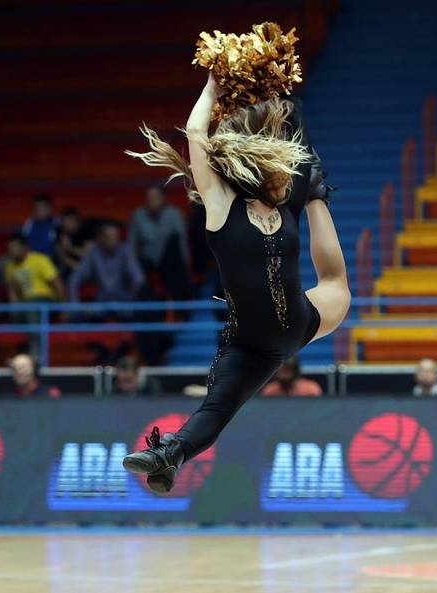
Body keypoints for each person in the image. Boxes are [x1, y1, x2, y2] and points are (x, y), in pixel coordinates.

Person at [122, 74, 349, 492]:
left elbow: (300, 145)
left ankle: (321, 195)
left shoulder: (285, 201)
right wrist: (212, 88)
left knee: (337, 284)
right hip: (249, 343)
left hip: (300, 320)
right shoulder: (222, 204)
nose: (286, 174)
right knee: (218, 407)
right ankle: (167, 456)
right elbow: (195, 132)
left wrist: (282, 92)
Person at [4, 234, 64, 359]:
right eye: (9, 248)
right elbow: (13, 292)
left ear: (25, 248)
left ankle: (36, 353)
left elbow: (57, 285)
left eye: (15, 247)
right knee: (21, 310)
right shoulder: (9, 267)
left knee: (31, 305)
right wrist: (14, 309)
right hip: (26, 306)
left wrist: (62, 308)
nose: (12, 251)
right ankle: (22, 352)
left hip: (46, 301)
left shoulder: (40, 260)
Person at [128, 184, 192, 300]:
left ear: (163, 198)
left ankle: (181, 309)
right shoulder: (138, 215)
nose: (152, 200)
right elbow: (132, 245)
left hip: (170, 262)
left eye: (156, 196)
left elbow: (182, 243)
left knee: (174, 246)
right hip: (146, 261)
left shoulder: (174, 214)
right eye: (149, 197)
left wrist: (186, 263)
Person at [68, 221, 145, 305]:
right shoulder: (94, 253)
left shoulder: (126, 251)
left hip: (124, 301)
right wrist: (75, 303)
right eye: (110, 236)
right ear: (101, 238)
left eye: (116, 236)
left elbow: (139, 280)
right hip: (101, 302)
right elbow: (75, 279)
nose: (114, 239)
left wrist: (132, 298)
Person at [20, 193, 60, 257]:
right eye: (38, 207)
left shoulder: (57, 223)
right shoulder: (29, 224)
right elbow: (22, 243)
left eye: (44, 207)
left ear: (50, 208)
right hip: (32, 259)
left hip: (51, 259)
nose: (41, 210)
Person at [55, 208, 88, 279]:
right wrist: (78, 267)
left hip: (88, 264)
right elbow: (62, 256)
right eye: (63, 221)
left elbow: (88, 254)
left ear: (76, 222)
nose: (65, 224)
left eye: (68, 222)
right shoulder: (60, 231)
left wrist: (70, 248)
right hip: (72, 265)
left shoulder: (86, 230)